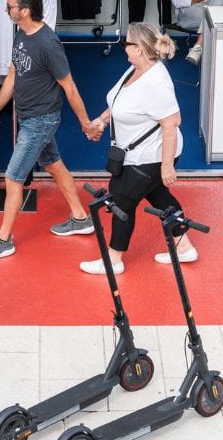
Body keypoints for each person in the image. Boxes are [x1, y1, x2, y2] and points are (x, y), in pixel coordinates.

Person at [0, 0, 99, 262]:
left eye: (10, 6)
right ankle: (81, 218)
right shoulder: (21, 33)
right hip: (29, 116)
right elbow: (12, 76)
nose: (7, 10)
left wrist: (86, 123)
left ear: (25, 11)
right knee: (54, 164)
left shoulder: (48, 44)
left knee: (13, 178)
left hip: (40, 120)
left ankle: (3, 240)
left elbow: (70, 87)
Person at [80, 23, 195, 274]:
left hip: (152, 155)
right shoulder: (135, 69)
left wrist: (166, 167)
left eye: (127, 43)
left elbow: (172, 123)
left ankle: (113, 261)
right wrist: (102, 120)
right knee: (158, 195)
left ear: (139, 49)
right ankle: (184, 247)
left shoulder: (156, 82)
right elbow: (119, 101)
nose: (124, 47)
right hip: (134, 153)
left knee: (122, 201)